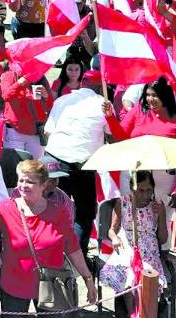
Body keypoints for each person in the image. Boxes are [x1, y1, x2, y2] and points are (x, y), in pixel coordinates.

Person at [0, 159, 97, 314]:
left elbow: (73, 247)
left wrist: (88, 278)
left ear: (44, 185)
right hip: (14, 285)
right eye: (21, 180)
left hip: (52, 283)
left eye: (30, 182)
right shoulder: (5, 209)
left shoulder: (58, 211)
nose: (23, 185)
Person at [43, 87, 110, 253]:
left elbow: (47, 131)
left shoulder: (62, 100)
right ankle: (76, 257)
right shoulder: (104, 104)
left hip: (56, 159)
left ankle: (52, 253)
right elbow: (112, 135)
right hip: (81, 164)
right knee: (84, 214)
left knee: (52, 209)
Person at [99, 171, 168, 316]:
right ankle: (133, 313)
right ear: (132, 188)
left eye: (149, 190)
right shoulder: (123, 202)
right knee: (128, 273)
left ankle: (143, 312)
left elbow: (163, 239)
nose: (145, 195)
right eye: (141, 190)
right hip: (127, 246)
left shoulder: (156, 206)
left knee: (147, 279)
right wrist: (115, 238)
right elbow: (112, 230)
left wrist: (161, 214)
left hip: (149, 250)